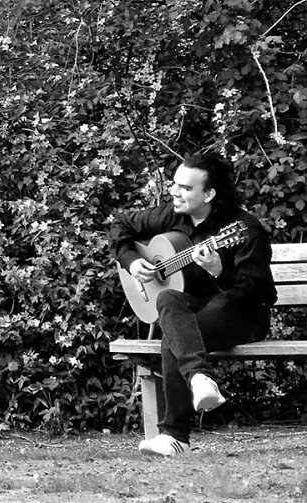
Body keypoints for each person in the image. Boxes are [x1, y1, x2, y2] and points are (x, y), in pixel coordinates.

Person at [110, 151, 277, 456]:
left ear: (209, 194)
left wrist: (218, 271)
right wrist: (132, 262)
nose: (174, 192)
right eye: (175, 184)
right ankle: (200, 377)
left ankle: (175, 436)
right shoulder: (173, 215)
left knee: (178, 332)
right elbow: (121, 225)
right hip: (195, 309)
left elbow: (258, 293)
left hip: (242, 314)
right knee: (168, 299)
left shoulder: (244, 229)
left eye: (185, 188)